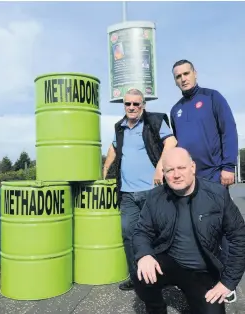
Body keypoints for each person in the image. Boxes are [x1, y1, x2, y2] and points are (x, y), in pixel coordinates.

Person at [132, 147, 245, 314]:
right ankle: (156, 309)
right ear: (164, 173)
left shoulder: (217, 195)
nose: (176, 175)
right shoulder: (155, 197)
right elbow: (142, 231)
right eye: (170, 170)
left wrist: (228, 282)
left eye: (181, 168)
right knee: (140, 272)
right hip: (170, 263)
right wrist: (144, 255)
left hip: (203, 271)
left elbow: (239, 237)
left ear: (192, 167)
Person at [103, 88, 177, 291]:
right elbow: (114, 148)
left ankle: (164, 275)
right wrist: (105, 168)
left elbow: (171, 142)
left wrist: (160, 167)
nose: (132, 107)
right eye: (128, 104)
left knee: (160, 234)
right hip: (127, 193)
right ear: (124, 105)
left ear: (143, 105)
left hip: (152, 191)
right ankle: (137, 276)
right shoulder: (120, 127)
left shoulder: (154, 121)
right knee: (129, 234)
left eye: (137, 103)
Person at [170, 59, 238, 187]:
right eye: (178, 76)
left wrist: (229, 167)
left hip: (214, 174)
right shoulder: (175, 110)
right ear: (175, 81)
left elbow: (228, 131)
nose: (183, 79)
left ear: (195, 73)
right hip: (187, 177)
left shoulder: (212, 97)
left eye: (186, 73)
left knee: (216, 208)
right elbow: (176, 143)